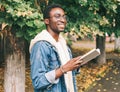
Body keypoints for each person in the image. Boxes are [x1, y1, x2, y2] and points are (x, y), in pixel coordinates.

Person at [29, 4, 83, 92]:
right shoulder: (41, 45)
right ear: (47, 21)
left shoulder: (62, 43)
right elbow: (38, 82)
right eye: (57, 16)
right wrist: (63, 69)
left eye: (64, 17)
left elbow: (67, 73)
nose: (62, 20)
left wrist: (75, 65)